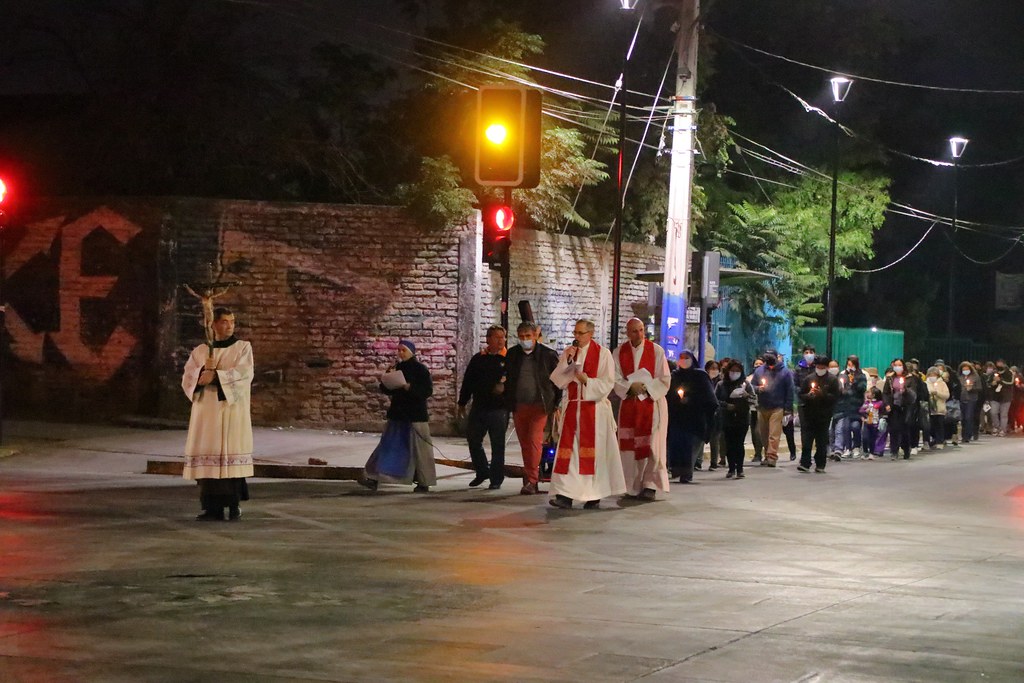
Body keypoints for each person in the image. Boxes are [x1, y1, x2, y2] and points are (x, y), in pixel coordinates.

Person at [181, 307, 254, 522]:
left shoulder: (243, 348)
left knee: (230, 456)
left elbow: (244, 374)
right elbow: (188, 378)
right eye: (224, 322)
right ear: (213, 325)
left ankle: (233, 506)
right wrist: (201, 375)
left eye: (232, 321)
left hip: (231, 411)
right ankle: (211, 508)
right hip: (207, 411)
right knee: (209, 457)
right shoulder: (201, 351)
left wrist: (217, 376)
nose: (229, 326)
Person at [548, 319, 626, 509]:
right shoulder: (569, 352)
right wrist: (568, 365)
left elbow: (607, 383)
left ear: (590, 334)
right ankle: (565, 495)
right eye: (575, 333)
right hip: (573, 409)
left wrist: (586, 381)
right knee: (569, 455)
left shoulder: (603, 354)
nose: (576, 337)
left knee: (593, 454)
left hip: (594, 411)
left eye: (580, 333)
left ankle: (593, 496)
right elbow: (558, 379)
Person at [361, 339, 437, 492]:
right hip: (398, 414)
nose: (400, 353)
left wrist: (410, 388)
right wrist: (387, 380)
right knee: (387, 447)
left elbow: (427, 391)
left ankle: (424, 481)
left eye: (404, 350)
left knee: (420, 450)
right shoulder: (396, 368)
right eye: (399, 350)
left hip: (415, 415)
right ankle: (373, 477)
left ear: (411, 352)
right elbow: (387, 389)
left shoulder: (420, 369)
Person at [613, 318, 671, 500]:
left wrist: (646, 388)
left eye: (641, 330)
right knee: (629, 447)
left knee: (652, 446)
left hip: (651, 404)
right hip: (630, 403)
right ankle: (632, 486)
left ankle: (650, 485)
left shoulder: (656, 351)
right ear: (627, 333)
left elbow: (664, 378)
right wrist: (630, 388)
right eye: (634, 331)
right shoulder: (619, 352)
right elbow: (614, 377)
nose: (639, 334)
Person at [505, 321, 561, 495]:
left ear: (536, 335)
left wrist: (556, 404)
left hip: (540, 404)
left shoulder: (548, 355)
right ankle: (530, 477)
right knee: (524, 443)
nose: (525, 340)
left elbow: (558, 382)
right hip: (519, 404)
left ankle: (532, 479)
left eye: (528, 336)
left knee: (534, 441)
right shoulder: (513, 354)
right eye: (521, 337)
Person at [457, 325, 510, 490]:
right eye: (496, 337)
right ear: (488, 339)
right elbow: (468, 382)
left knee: (497, 444)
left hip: (499, 408)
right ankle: (482, 471)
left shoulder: (509, 359)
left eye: (503, 337)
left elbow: (514, 382)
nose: (500, 340)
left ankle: (496, 478)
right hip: (479, 406)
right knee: (473, 440)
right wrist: (462, 403)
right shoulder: (478, 358)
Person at [665, 349, 718, 483]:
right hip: (677, 419)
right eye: (681, 357)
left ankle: (687, 473)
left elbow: (708, 398)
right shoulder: (675, 376)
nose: (683, 360)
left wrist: (691, 400)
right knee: (677, 445)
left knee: (690, 447)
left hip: (695, 419)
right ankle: (677, 470)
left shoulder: (700, 376)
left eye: (686, 358)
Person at [751, 348, 795, 467]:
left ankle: (772, 456)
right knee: (763, 434)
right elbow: (752, 386)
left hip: (777, 407)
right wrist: (758, 389)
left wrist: (788, 409)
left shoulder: (785, 372)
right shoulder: (759, 371)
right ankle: (767, 453)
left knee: (773, 434)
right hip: (762, 406)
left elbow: (790, 391)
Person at [797, 355, 841, 473]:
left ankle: (820, 463)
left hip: (824, 415)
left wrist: (823, 394)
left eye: (822, 367)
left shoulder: (832, 380)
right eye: (818, 366)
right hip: (809, 414)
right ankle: (805, 463)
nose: (820, 369)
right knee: (807, 441)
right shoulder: (809, 378)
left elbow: (835, 397)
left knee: (821, 441)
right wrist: (809, 396)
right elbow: (801, 394)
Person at [716, 359, 755, 479]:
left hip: (742, 418)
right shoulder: (721, 385)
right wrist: (726, 405)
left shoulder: (746, 384)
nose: (734, 373)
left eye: (737, 371)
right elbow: (715, 400)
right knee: (729, 443)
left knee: (739, 443)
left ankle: (740, 469)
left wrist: (746, 396)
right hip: (727, 418)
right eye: (732, 370)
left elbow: (754, 400)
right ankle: (731, 468)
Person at [832, 355, 867, 460]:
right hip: (846, 405)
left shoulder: (861, 375)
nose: (850, 366)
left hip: (857, 406)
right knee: (845, 427)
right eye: (848, 364)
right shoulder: (843, 375)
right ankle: (847, 448)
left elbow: (862, 388)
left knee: (855, 426)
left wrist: (854, 381)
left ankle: (856, 447)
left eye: (852, 364)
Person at [882, 358, 915, 460]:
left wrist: (905, 391)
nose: (897, 367)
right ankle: (894, 451)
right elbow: (886, 393)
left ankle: (906, 448)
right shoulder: (890, 378)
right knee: (894, 429)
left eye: (899, 365)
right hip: (894, 407)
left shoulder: (909, 378)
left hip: (905, 407)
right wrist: (887, 404)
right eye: (895, 365)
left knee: (904, 430)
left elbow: (913, 394)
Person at [699, 359, 724, 471]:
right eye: (711, 368)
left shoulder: (721, 383)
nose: (714, 371)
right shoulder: (703, 381)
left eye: (716, 368)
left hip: (717, 414)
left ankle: (714, 462)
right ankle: (697, 461)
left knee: (715, 439)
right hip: (704, 413)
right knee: (700, 438)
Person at [925, 365, 950, 449]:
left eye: (934, 375)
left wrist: (937, 393)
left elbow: (946, 395)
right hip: (930, 409)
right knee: (930, 426)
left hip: (940, 409)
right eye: (930, 375)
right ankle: (933, 439)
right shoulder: (926, 383)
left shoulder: (942, 383)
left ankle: (940, 441)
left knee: (939, 425)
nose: (932, 377)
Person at [958, 361, 982, 444]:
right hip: (962, 398)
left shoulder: (975, 377)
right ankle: (963, 435)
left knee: (968, 417)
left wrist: (971, 388)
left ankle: (967, 436)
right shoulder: (959, 377)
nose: (965, 370)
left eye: (967, 369)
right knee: (963, 418)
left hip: (971, 399)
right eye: (964, 369)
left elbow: (979, 388)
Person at [746, 356, 765, 463]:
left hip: (763, 407)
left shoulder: (767, 377)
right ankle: (757, 453)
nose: (758, 366)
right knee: (754, 431)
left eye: (760, 364)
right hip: (752, 408)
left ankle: (765, 452)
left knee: (759, 431)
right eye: (756, 364)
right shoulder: (749, 378)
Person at [988, 359, 1014, 436]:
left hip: (1006, 397)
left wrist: (1000, 381)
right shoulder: (993, 373)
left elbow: (1010, 383)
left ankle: (1003, 429)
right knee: (993, 412)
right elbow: (989, 383)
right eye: (997, 364)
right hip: (995, 396)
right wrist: (993, 383)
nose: (999, 365)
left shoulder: (1009, 373)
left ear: (1004, 364)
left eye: (1000, 364)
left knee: (1004, 414)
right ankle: (996, 426)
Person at [859, 387, 886, 460]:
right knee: (865, 437)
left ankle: (871, 453)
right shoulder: (867, 403)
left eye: (869, 392)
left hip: (875, 423)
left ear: (874, 395)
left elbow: (882, 412)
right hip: (867, 422)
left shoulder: (879, 403)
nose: (868, 393)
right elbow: (861, 410)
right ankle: (865, 452)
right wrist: (865, 412)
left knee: (872, 438)